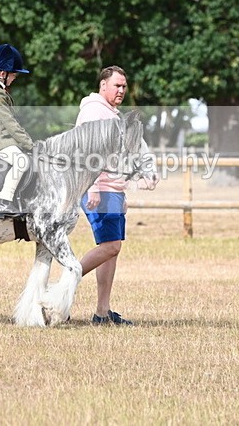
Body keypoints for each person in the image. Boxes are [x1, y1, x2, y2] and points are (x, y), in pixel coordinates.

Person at [76, 65, 156, 325]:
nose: (121, 90)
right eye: (116, 85)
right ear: (103, 85)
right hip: (97, 190)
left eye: (124, 86)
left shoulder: (113, 114)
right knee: (111, 246)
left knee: (110, 250)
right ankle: (61, 288)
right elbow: (85, 150)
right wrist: (93, 187)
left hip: (112, 191)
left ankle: (101, 312)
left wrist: (130, 183)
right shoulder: (93, 111)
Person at [0, 43, 34, 218]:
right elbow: (10, 123)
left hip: (0, 138)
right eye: (13, 75)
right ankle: (5, 201)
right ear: (3, 73)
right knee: (21, 161)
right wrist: (29, 144)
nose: (15, 78)